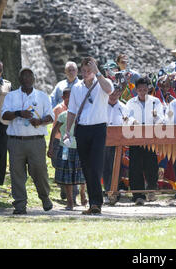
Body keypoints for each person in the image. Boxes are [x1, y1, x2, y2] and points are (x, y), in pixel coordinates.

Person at [64, 57, 115, 215]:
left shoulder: (101, 82)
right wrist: (68, 131)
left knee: (96, 165)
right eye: (84, 71)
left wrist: (98, 72)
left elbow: (109, 90)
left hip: (98, 128)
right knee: (86, 166)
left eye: (89, 70)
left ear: (94, 70)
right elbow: (72, 110)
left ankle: (96, 202)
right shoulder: (77, 87)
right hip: (82, 128)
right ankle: (93, 202)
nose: (86, 73)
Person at [1, 67, 54, 215]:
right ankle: (20, 205)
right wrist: (19, 113)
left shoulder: (42, 96)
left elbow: (50, 117)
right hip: (16, 141)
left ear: (34, 79)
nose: (27, 80)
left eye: (29, 77)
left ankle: (44, 198)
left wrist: (40, 121)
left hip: (35, 141)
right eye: (24, 78)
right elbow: (4, 115)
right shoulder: (11, 96)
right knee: (16, 174)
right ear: (20, 80)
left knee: (40, 171)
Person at [126, 77, 164, 205]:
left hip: (150, 137)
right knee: (135, 166)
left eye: (145, 89)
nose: (142, 91)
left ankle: (151, 190)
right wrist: (133, 121)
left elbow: (162, 120)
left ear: (149, 89)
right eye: (140, 89)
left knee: (151, 165)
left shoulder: (155, 101)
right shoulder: (131, 102)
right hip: (135, 137)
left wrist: (155, 116)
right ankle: (138, 195)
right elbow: (126, 117)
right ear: (136, 90)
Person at [47, 88, 87, 210]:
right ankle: (70, 201)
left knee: (82, 172)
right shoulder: (63, 115)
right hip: (65, 148)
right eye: (68, 98)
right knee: (67, 174)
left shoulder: (82, 114)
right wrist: (51, 146)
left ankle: (82, 193)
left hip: (80, 147)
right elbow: (54, 129)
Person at [103, 88, 129, 201]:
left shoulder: (124, 107)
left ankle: (115, 190)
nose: (113, 96)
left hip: (118, 142)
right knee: (105, 166)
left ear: (119, 93)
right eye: (111, 94)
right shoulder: (102, 106)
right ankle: (108, 190)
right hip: (104, 140)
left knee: (117, 167)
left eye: (115, 94)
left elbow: (128, 123)